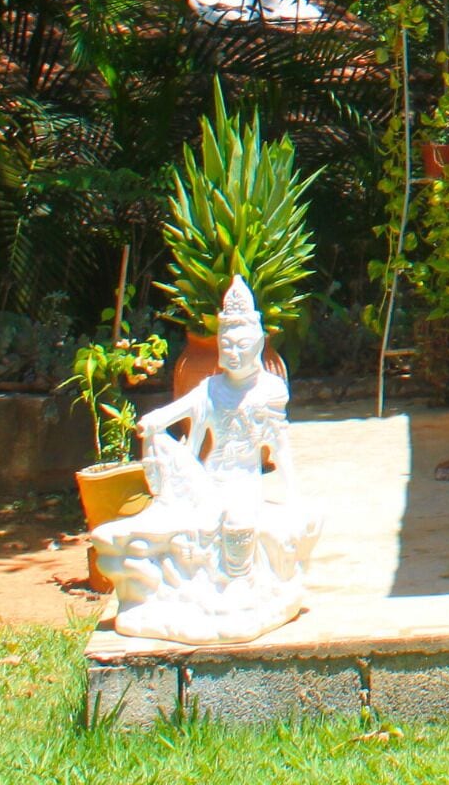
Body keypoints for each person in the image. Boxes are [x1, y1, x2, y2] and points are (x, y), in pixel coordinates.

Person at [91, 275, 321, 644]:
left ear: (259, 343)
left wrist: (293, 495)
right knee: (161, 520)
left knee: (237, 520)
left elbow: (279, 445)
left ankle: (237, 585)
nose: (232, 353)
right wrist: (153, 422)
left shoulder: (270, 390)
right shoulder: (211, 388)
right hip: (207, 475)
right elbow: (176, 410)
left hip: (243, 478)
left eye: (241, 344)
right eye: (225, 344)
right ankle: (162, 594)